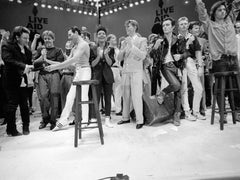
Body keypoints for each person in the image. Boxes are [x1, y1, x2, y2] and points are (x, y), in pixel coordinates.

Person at [195, 0, 240, 122]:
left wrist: (236, 2)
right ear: (214, 12)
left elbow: (235, 8)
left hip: (233, 58)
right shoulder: (209, 24)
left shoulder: (230, 20)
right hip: (219, 60)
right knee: (221, 88)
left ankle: (236, 112)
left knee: (237, 87)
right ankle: (223, 113)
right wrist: (199, 2)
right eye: (219, 10)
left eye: (224, 9)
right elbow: (202, 14)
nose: (223, 12)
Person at [45, 26, 91, 131]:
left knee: (84, 95)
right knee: (70, 97)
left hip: (85, 71)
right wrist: (52, 65)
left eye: (70, 34)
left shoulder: (83, 44)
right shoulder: (75, 47)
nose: (69, 37)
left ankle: (84, 120)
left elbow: (74, 59)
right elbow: (67, 63)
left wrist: (55, 67)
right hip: (78, 71)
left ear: (76, 33)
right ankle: (63, 121)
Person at [1, 26, 33, 136]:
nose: (27, 40)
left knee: (25, 105)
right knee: (12, 105)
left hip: (23, 81)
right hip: (10, 80)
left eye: (28, 38)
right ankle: (11, 129)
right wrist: (24, 66)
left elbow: (29, 62)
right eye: (25, 38)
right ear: (17, 37)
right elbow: (8, 60)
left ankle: (26, 127)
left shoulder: (27, 51)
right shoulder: (7, 46)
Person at [151, 17, 182, 126]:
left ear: (173, 27)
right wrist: (155, 46)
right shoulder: (159, 39)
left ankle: (176, 114)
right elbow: (151, 55)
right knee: (176, 85)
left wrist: (181, 56)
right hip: (165, 66)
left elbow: (186, 53)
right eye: (163, 25)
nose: (165, 27)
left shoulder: (178, 39)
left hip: (177, 66)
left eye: (167, 25)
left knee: (179, 91)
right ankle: (163, 92)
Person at [117, 19, 147, 129]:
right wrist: (123, 50)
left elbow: (143, 56)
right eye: (126, 27)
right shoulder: (124, 41)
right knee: (125, 96)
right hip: (125, 71)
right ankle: (125, 117)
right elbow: (119, 58)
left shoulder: (142, 40)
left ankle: (140, 120)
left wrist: (132, 46)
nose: (127, 28)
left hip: (136, 71)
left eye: (129, 26)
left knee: (136, 96)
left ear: (135, 27)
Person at [34, 30, 64, 130]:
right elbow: (34, 63)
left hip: (54, 74)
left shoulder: (58, 50)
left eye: (49, 38)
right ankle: (45, 118)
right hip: (42, 75)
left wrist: (47, 60)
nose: (47, 40)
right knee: (43, 97)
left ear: (53, 39)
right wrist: (42, 56)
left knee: (54, 97)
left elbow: (59, 64)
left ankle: (53, 120)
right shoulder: (40, 49)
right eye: (45, 39)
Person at [176, 16, 205, 121]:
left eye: (185, 23)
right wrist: (188, 43)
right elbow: (178, 53)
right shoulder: (176, 39)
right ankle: (187, 112)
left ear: (188, 25)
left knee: (199, 88)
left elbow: (198, 52)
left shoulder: (193, 37)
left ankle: (196, 111)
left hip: (192, 62)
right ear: (178, 26)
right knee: (184, 89)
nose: (184, 25)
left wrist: (200, 66)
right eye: (181, 24)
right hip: (181, 64)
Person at [89, 26, 115, 128]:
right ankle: (94, 118)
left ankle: (107, 119)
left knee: (108, 98)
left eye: (103, 33)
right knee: (96, 98)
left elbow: (110, 63)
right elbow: (92, 64)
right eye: (99, 33)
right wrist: (99, 56)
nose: (101, 35)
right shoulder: (92, 49)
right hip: (96, 76)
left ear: (106, 36)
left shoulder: (110, 48)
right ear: (96, 36)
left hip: (108, 76)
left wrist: (106, 55)